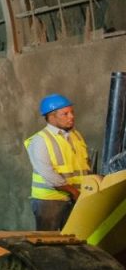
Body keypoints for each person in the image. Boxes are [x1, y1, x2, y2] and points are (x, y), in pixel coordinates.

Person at [25, 93, 91, 231]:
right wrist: (73, 191)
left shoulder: (76, 136)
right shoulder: (40, 140)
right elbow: (48, 174)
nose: (71, 116)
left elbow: (84, 165)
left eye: (72, 112)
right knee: (48, 241)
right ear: (51, 117)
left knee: (72, 239)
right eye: (65, 114)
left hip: (76, 197)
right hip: (50, 201)